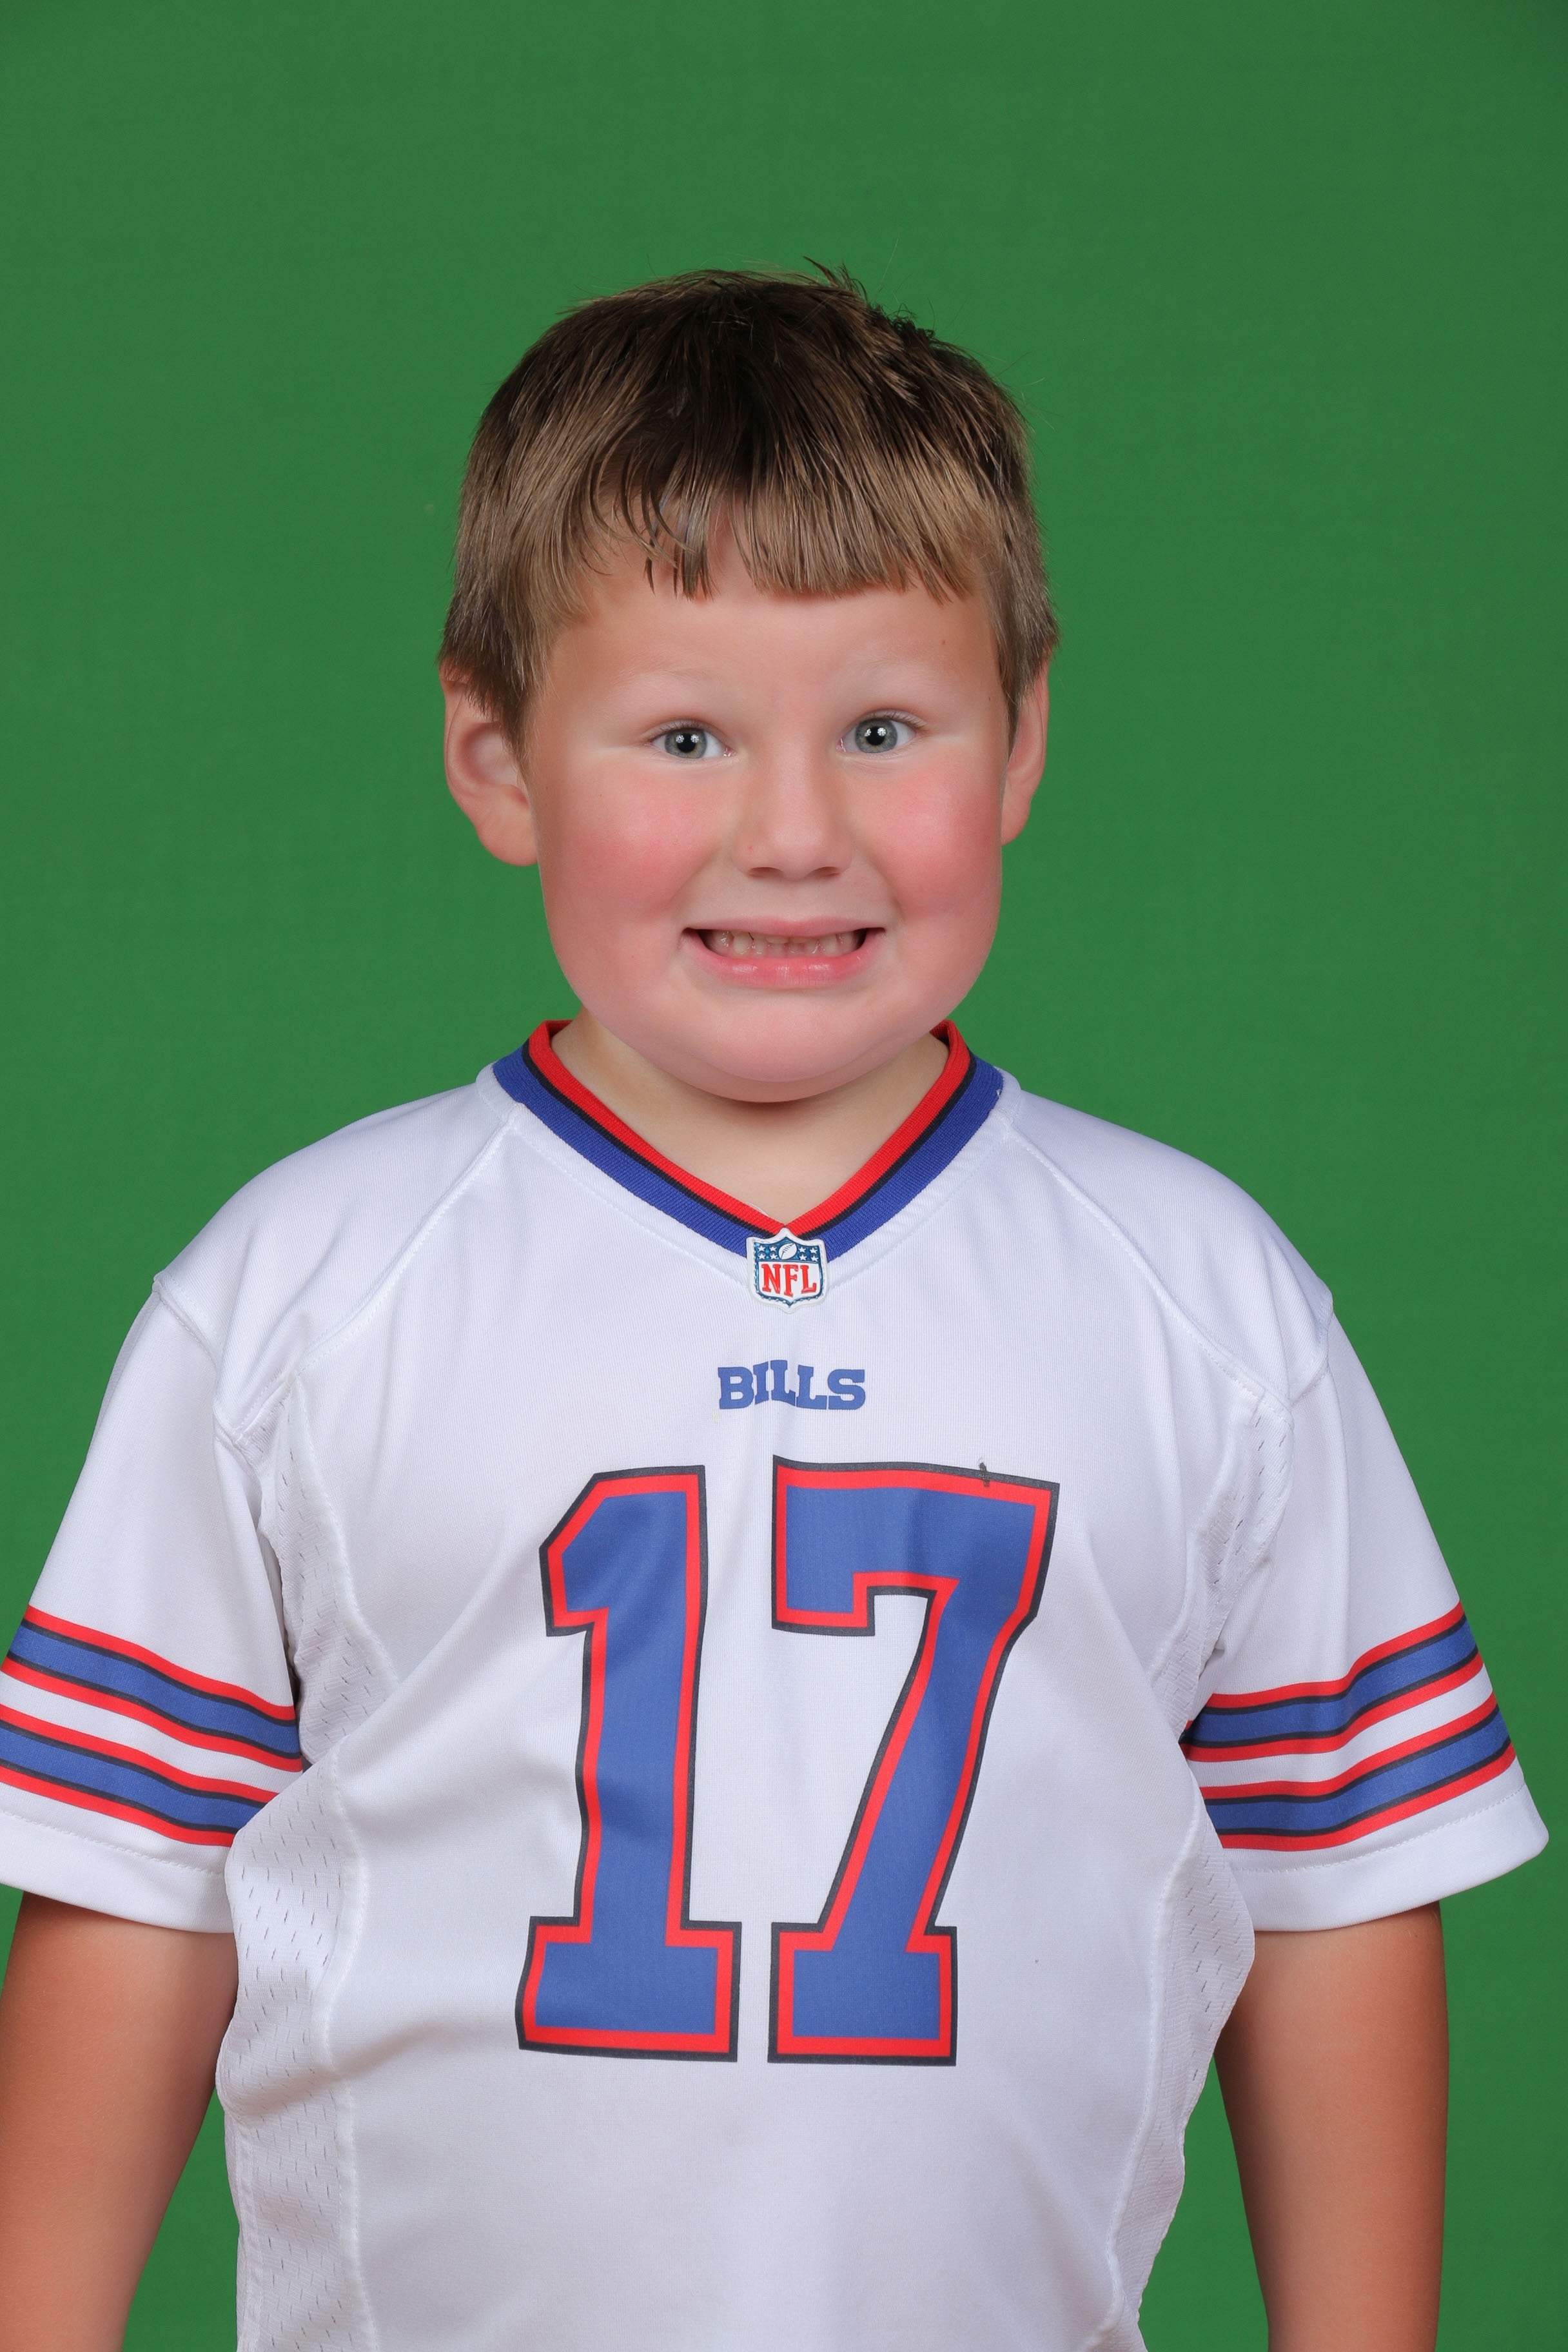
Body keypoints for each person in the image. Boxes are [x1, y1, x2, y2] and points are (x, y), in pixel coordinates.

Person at [0, 269, 1545, 2352]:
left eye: (884, 731)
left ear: (1023, 743)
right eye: (687, 736)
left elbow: (1335, 1886)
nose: (794, 833)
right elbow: (134, 1896)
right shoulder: (305, 1288)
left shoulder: (1203, 1301)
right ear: (497, 759)